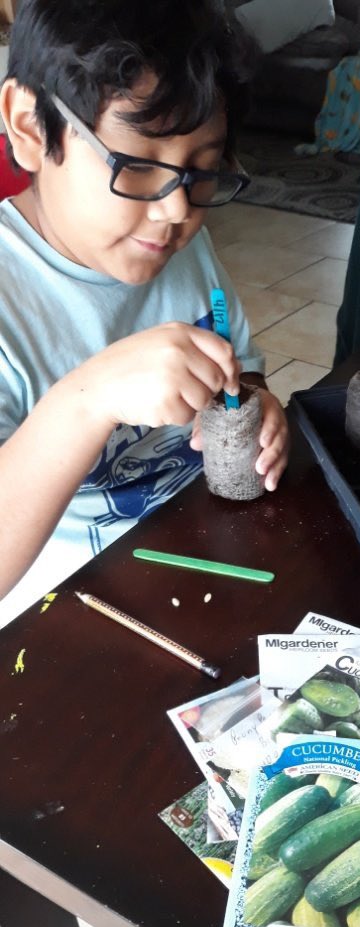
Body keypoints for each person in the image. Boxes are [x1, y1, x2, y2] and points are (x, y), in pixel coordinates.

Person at [0, 0, 289, 628]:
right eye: (137, 168)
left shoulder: (181, 247)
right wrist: (88, 399)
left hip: (206, 567)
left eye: (203, 173)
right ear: (29, 126)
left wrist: (256, 410)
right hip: (74, 627)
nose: (175, 211)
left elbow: (245, 375)